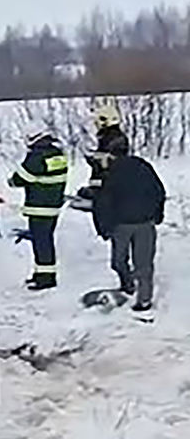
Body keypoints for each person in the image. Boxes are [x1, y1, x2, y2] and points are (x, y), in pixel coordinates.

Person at [92, 136, 165, 313]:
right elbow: (159, 191)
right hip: (145, 223)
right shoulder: (143, 166)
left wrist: (103, 227)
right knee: (144, 264)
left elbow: (102, 202)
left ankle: (128, 285)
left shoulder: (109, 172)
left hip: (122, 225)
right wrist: (157, 214)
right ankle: (144, 300)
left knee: (118, 261)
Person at [8, 124, 68, 291]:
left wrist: (12, 181)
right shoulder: (58, 154)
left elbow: (20, 178)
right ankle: (42, 274)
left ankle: (46, 279)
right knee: (45, 240)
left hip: (39, 207)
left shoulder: (36, 156)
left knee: (41, 242)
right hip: (53, 206)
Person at [77, 101, 129, 205]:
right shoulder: (110, 137)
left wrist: (95, 160)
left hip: (108, 187)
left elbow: (108, 164)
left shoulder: (112, 138)